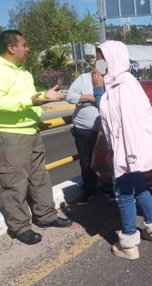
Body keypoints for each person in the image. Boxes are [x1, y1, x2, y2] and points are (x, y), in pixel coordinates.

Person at [0, 30, 73, 245]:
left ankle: (46, 216)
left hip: (30, 130)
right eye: (24, 44)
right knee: (14, 183)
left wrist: (43, 96)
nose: (27, 48)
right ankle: (20, 227)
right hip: (10, 134)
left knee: (39, 176)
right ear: (11, 47)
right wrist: (32, 101)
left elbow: (26, 98)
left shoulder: (21, 71)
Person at [91, 40, 152, 261]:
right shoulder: (128, 81)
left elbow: (107, 115)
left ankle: (129, 243)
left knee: (124, 194)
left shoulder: (118, 86)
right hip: (136, 147)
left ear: (111, 60)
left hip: (127, 149)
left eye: (101, 59)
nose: (98, 64)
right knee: (140, 187)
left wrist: (98, 90)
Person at [66, 73, 116, 205]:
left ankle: (108, 187)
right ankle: (88, 191)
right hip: (83, 129)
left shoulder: (113, 77)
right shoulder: (83, 78)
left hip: (106, 130)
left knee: (107, 160)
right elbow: (69, 96)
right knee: (86, 162)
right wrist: (88, 97)